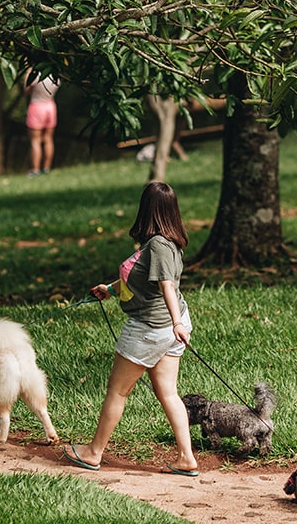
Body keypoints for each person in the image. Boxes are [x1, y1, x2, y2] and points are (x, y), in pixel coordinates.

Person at [62, 181, 199, 476]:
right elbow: (143, 279)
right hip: (167, 327)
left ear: (146, 209)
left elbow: (166, 286)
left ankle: (93, 452)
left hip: (152, 328)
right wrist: (110, 289)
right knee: (169, 394)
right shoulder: (168, 243)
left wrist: (175, 323)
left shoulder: (160, 245)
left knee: (117, 392)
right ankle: (186, 458)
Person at [24, 68, 60, 177]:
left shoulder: (35, 75)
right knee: (48, 139)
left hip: (37, 106)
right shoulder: (55, 74)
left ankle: (35, 170)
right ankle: (46, 168)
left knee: (35, 141)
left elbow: (26, 91)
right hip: (50, 106)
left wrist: (27, 74)